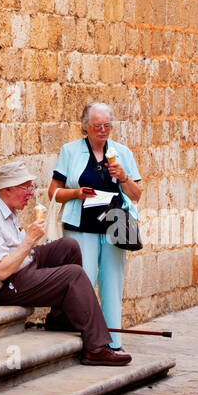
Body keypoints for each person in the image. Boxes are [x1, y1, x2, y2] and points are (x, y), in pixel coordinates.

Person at [0, 160, 131, 365]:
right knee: (73, 274)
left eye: (30, 187)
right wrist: (29, 239)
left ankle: (60, 319)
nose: (30, 193)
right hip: (12, 283)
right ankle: (96, 347)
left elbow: (16, 246)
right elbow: (2, 271)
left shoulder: (8, 206)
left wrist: (27, 239)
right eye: (26, 187)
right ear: (8, 188)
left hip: (25, 263)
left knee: (69, 246)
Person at [48, 103, 143, 349]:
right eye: (97, 126)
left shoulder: (122, 152)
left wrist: (123, 177)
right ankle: (86, 341)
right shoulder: (70, 151)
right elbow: (53, 192)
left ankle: (113, 343)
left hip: (114, 227)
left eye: (107, 126)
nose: (103, 130)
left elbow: (136, 194)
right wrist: (76, 193)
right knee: (84, 283)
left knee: (112, 284)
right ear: (85, 127)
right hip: (81, 226)